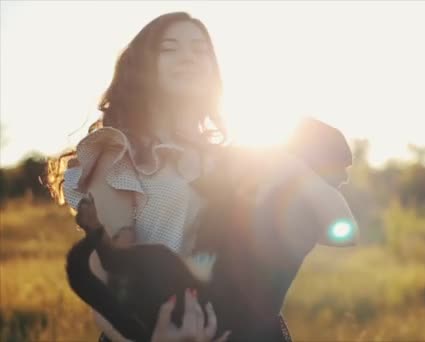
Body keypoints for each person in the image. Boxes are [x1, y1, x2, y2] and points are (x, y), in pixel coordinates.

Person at [46, 11, 358, 342]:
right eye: (170, 48)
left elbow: (337, 231)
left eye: (200, 49)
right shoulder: (120, 152)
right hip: (153, 331)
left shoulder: (235, 158)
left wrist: (295, 169)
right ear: (142, 67)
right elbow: (106, 276)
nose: (188, 57)